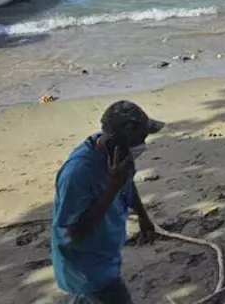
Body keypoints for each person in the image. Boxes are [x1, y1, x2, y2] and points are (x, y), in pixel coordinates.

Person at [52, 101, 165, 304]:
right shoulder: (77, 174)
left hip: (106, 250)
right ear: (118, 142)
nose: (143, 145)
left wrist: (142, 215)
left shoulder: (119, 158)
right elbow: (73, 235)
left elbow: (128, 184)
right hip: (86, 265)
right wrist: (112, 188)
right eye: (140, 140)